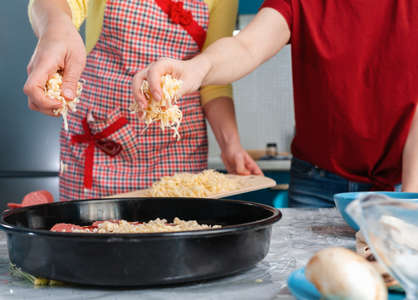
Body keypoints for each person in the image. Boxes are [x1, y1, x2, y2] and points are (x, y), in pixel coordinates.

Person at [133, 1, 418, 207]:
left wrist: (411, 197)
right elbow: (247, 46)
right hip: (316, 184)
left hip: (401, 185)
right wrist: (198, 68)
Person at [23, 0, 262, 201]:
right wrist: (55, 28)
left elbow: (213, 76)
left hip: (176, 151)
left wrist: (231, 144)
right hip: (102, 147)